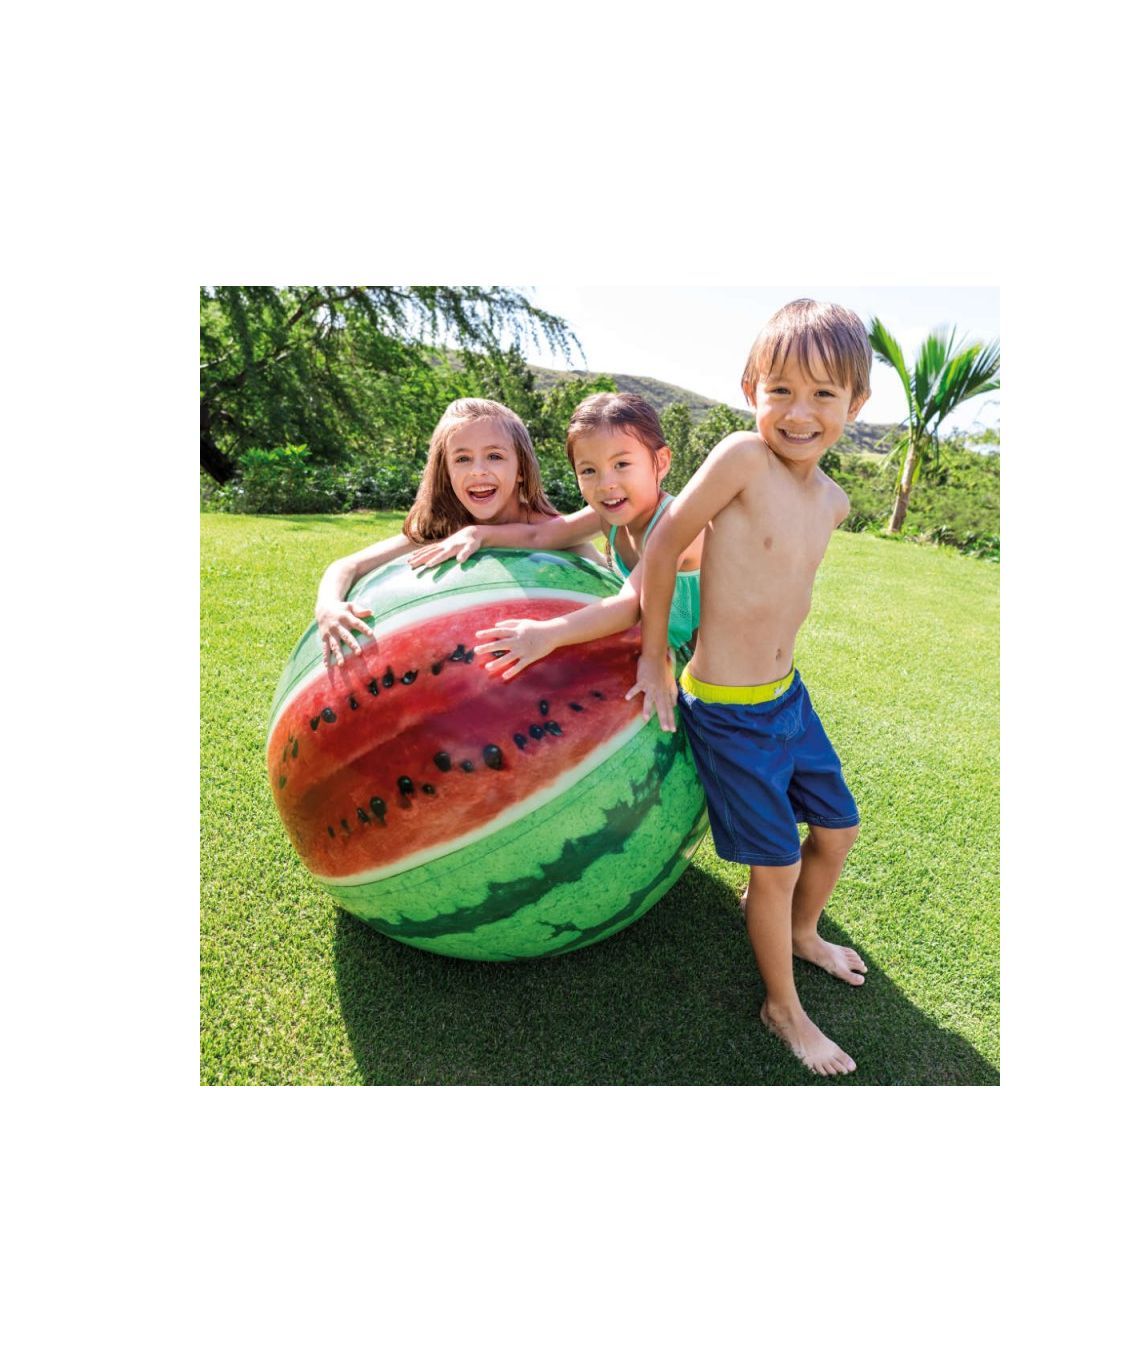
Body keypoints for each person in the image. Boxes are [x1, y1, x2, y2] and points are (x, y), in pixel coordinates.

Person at [629, 299, 872, 1076]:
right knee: (777, 866)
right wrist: (654, 657)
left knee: (837, 832)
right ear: (750, 390)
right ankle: (782, 1009)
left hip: (787, 701)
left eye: (824, 394)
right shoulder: (741, 458)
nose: (800, 413)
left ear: (855, 404)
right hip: (728, 713)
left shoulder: (833, 502)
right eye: (781, 391)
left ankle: (801, 933)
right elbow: (666, 544)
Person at [407, 392, 703, 679]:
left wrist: (548, 633)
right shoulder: (606, 515)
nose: (606, 483)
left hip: (711, 669)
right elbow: (540, 536)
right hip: (671, 654)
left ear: (661, 462)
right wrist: (478, 534)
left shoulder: (674, 524)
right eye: (589, 470)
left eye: (621, 464)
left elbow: (630, 606)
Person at [313, 397, 600, 668]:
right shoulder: (446, 533)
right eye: (462, 459)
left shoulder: (557, 535)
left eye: (494, 456)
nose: (478, 471)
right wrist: (328, 606)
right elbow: (348, 566)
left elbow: (609, 589)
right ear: (446, 471)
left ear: (521, 469)